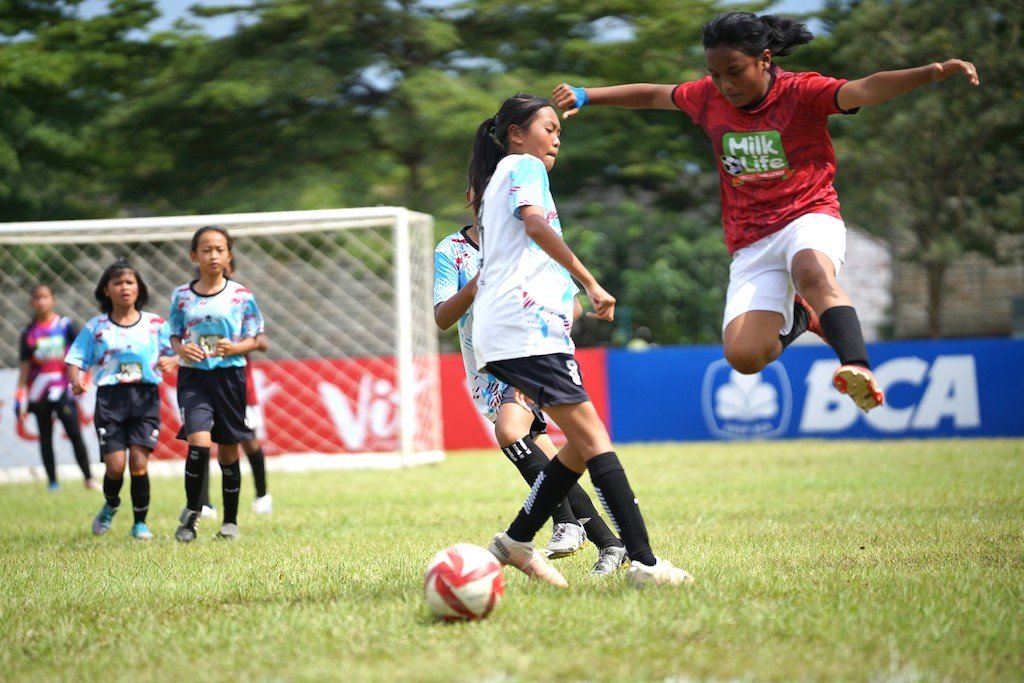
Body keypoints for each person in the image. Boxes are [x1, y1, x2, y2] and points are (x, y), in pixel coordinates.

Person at [552, 11, 980, 413]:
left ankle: (856, 365)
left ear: (765, 59)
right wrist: (588, 95)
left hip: (808, 215)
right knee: (744, 357)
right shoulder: (707, 97)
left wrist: (931, 72)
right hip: (751, 239)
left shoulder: (801, 91)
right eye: (715, 74)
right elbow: (653, 94)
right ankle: (801, 317)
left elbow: (865, 89)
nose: (725, 84)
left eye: (735, 71)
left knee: (812, 273)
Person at [470, 93, 693, 587]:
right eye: (548, 128)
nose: (556, 140)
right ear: (516, 133)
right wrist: (589, 281)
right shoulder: (525, 166)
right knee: (594, 440)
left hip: (518, 329)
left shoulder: (500, 176)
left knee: (577, 444)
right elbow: (534, 226)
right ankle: (644, 563)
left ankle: (515, 540)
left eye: (558, 132)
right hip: (524, 330)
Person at [434, 195, 628, 576]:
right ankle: (611, 543)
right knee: (548, 462)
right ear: (471, 196)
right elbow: (442, 316)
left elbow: (572, 305)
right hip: (486, 370)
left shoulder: (529, 242)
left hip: (530, 355)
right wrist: (479, 283)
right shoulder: (451, 250)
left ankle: (564, 522)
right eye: (481, 187)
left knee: (510, 432)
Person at [65, 260, 176, 540]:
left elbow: (177, 351)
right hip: (110, 400)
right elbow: (75, 358)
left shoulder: (155, 324)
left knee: (138, 463)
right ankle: (111, 504)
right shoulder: (97, 327)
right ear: (106, 290)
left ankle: (140, 524)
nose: (124, 288)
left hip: (145, 397)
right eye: (118, 283)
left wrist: (172, 360)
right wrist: (76, 379)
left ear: (139, 288)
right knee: (115, 467)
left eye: (130, 282)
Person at [170, 226, 265, 542]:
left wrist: (236, 348)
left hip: (229, 379)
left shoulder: (241, 296)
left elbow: (256, 338)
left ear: (228, 255)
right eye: (206, 249)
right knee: (198, 443)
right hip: (194, 378)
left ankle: (230, 521)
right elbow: (174, 334)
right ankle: (192, 514)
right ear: (193, 255)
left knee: (228, 451)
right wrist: (181, 349)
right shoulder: (181, 296)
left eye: (219, 249)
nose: (213, 255)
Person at [15, 284, 96, 491]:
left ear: (53, 299)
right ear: (32, 302)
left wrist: (83, 378)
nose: (41, 301)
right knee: (45, 436)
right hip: (39, 391)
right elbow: (25, 366)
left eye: (45, 297)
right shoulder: (28, 332)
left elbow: (82, 352)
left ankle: (88, 478)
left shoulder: (66, 325)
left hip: (64, 389)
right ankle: (52, 482)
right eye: (37, 298)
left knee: (74, 432)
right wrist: (19, 396)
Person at [197, 332, 273, 516]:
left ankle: (262, 496)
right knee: (201, 441)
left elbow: (261, 342)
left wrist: (235, 347)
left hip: (238, 388)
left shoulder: (240, 314)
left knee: (249, 442)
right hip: (203, 386)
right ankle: (204, 504)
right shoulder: (195, 317)